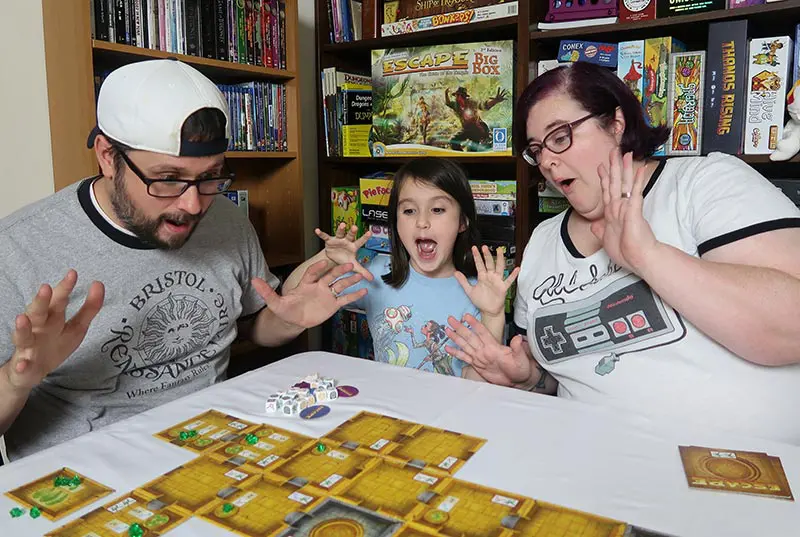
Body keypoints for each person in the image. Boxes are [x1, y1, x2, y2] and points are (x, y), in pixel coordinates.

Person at [0, 59, 365, 460]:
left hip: (215, 449)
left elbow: (248, 330)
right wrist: (17, 382)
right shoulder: (17, 250)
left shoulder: (225, 218)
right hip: (87, 475)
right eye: (168, 179)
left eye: (210, 176)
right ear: (107, 156)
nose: (193, 205)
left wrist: (286, 320)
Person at [445, 61, 800, 445]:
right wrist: (528, 377)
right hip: (588, 470)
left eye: (560, 137)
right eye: (536, 150)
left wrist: (647, 255)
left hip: (737, 475)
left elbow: (791, 328)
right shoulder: (543, 241)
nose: (546, 162)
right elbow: (561, 375)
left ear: (615, 123)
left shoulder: (702, 184)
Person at [285, 157, 518, 378]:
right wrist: (328, 257)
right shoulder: (375, 272)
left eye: (437, 210)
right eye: (408, 211)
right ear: (395, 223)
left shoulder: (477, 293)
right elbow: (291, 296)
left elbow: (480, 382)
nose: (422, 222)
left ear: (463, 221)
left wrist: (493, 314)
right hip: (388, 412)